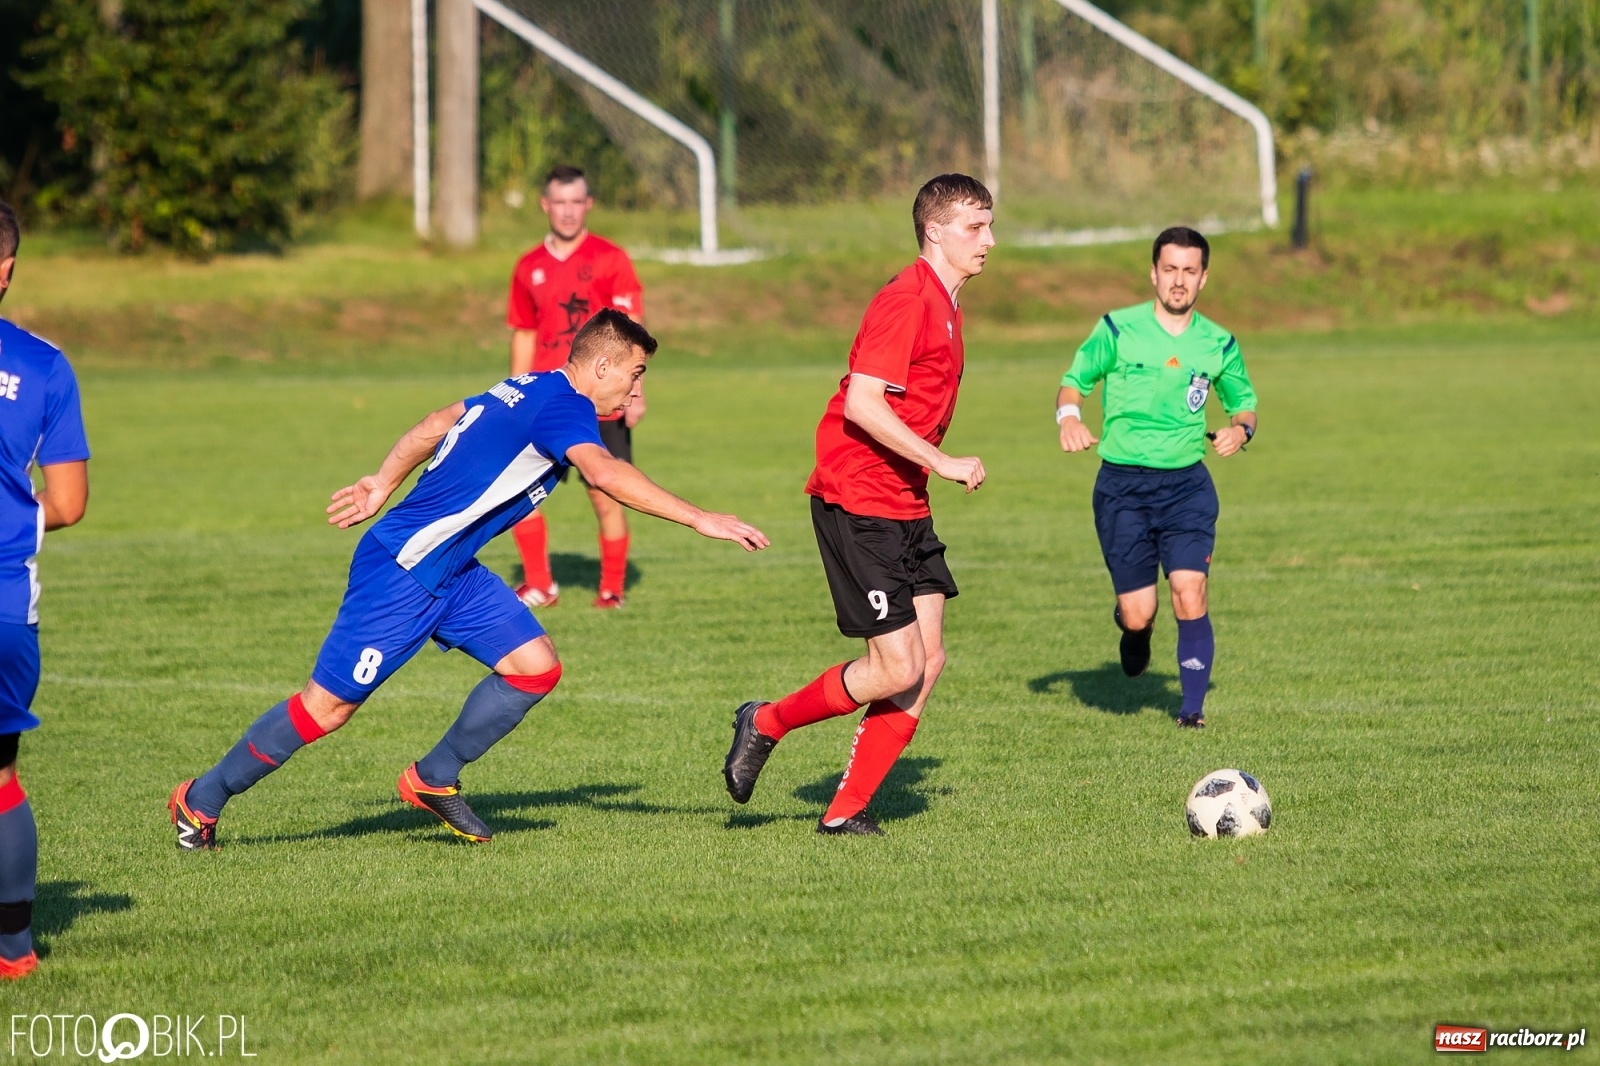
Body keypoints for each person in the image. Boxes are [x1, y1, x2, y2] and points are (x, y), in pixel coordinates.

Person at [170, 310, 767, 849]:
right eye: (635, 374)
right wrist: (700, 518)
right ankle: (201, 799)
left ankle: (432, 778)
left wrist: (383, 481)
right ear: (602, 365)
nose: (636, 390)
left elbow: (438, 422)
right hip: (403, 569)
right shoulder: (566, 406)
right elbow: (605, 472)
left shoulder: (527, 385)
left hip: (454, 570)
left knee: (535, 667)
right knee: (326, 709)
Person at [722, 174, 993, 836]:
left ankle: (844, 814)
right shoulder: (907, 300)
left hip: (904, 500)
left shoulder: (947, 303)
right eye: (975, 227)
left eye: (989, 225)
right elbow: (863, 404)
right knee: (896, 666)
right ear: (934, 232)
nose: (989, 239)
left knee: (927, 661)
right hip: (858, 498)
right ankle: (765, 721)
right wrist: (942, 462)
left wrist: (925, 472)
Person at [1055, 226, 1258, 728]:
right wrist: (1070, 419)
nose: (1179, 280)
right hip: (1122, 488)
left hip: (1187, 488)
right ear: (1154, 273)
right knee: (1138, 612)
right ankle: (1135, 629)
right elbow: (1074, 383)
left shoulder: (1218, 343)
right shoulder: (1116, 329)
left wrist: (1241, 432)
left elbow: (1244, 405)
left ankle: (1191, 712)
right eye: (1170, 269)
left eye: (1190, 271)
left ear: (1203, 278)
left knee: (1190, 590)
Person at [0, 200, 91, 979]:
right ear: (6, 269)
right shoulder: (44, 366)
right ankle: (15, 950)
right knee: (1, 777)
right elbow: (67, 504)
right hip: (6, 605)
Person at [505, 165, 646, 610]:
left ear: (589, 205)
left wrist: (636, 390)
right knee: (519, 493)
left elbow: (633, 330)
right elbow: (524, 332)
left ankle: (611, 590)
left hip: (600, 398)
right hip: (546, 396)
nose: (568, 211)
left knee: (606, 493)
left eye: (576, 202)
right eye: (559, 202)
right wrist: (516, 391)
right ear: (545, 205)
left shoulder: (610, 258)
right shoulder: (528, 267)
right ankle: (540, 585)